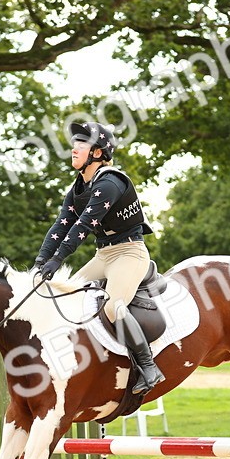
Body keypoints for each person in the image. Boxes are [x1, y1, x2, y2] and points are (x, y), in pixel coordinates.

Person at [33, 120, 165, 395]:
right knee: (66, 298)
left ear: (97, 152)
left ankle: (148, 366)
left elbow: (83, 226)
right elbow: (61, 225)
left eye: (81, 144)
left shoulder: (111, 182)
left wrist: (58, 261)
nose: (73, 149)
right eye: (74, 144)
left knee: (113, 306)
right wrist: (41, 260)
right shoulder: (79, 187)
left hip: (129, 253)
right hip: (103, 255)